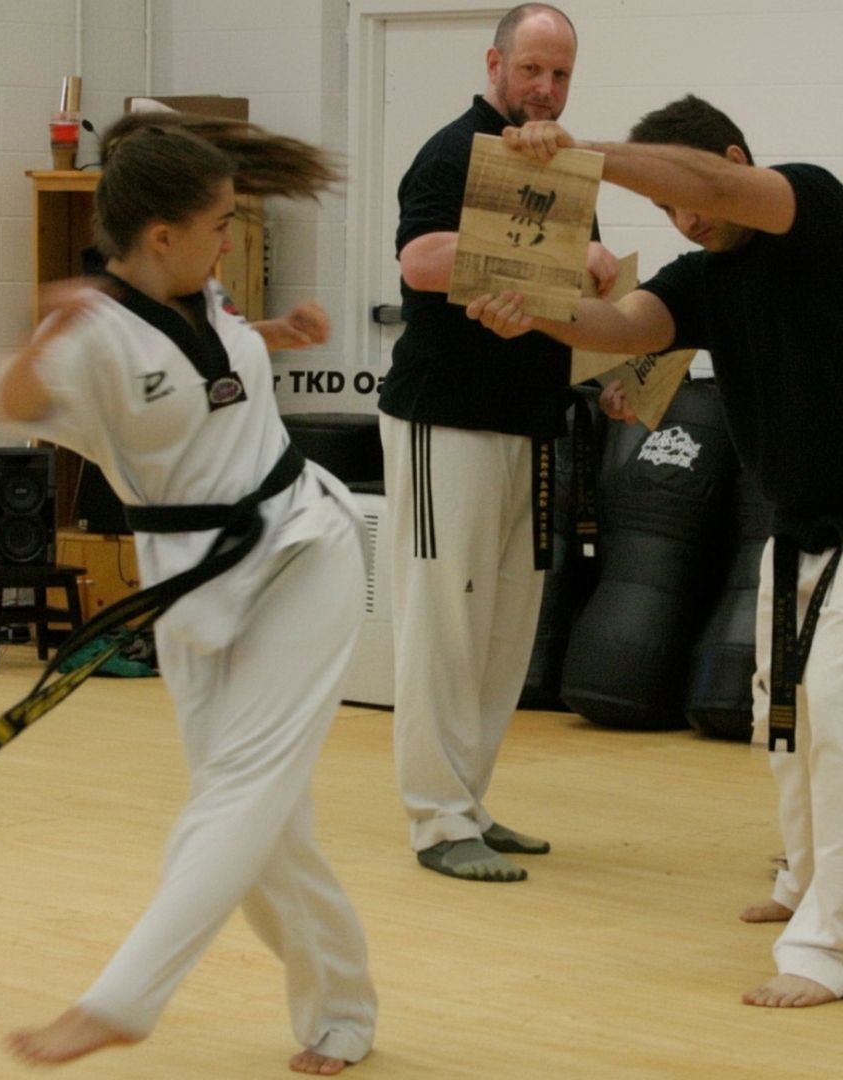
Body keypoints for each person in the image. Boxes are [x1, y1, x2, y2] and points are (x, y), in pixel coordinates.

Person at [467, 95, 843, 1002]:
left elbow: (706, 181)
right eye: (667, 213)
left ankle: (840, 949)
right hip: (801, 523)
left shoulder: (809, 204)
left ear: (734, 160)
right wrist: (535, 311)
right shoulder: (701, 276)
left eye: (687, 199)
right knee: (785, 720)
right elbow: (620, 330)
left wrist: (582, 154)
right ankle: (809, 882)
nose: (685, 218)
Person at [0, 111, 377, 1075]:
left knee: (241, 792)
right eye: (220, 222)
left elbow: (215, 371)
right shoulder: (94, 334)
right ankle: (343, 1012)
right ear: (162, 237)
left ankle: (119, 998)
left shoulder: (204, 296)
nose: (230, 236)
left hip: (306, 548)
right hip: (198, 592)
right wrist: (46, 336)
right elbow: (12, 401)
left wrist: (277, 333)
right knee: (259, 822)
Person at [378, 3, 619, 884]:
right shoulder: (455, 151)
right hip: (445, 418)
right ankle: (436, 820)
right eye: (532, 71)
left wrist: (614, 366)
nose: (546, 90)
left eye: (560, 75)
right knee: (443, 621)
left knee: (504, 627)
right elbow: (422, 262)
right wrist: (547, 263)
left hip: (530, 421)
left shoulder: (565, 168)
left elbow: (583, 285)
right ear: (496, 64)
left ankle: (469, 803)